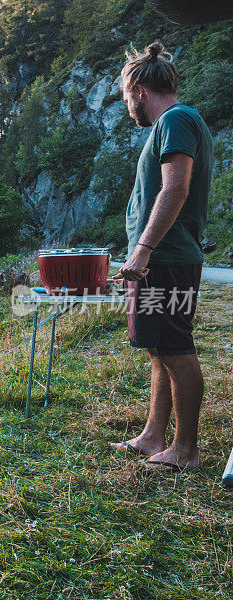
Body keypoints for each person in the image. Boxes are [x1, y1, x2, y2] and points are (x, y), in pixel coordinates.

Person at [110, 42, 212, 471]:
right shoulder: (173, 123)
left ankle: (184, 450)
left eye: (126, 98)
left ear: (139, 91)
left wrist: (143, 250)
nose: (128, 107)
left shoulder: (175, 119)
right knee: (158, 348)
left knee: (175, 347)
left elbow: (175, 188)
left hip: (166, 258)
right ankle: (154, 436)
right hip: (162, 258)